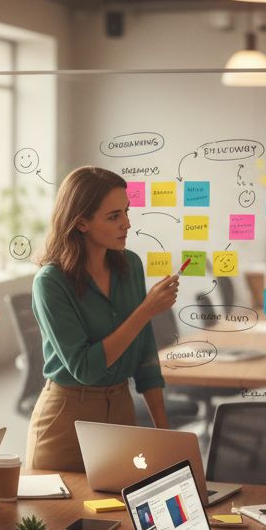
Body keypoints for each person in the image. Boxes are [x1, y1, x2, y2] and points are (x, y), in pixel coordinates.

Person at [27, 166, 178, 471]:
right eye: (113, 216)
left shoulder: (130, 266)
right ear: (81, 222)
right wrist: (145, 311)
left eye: (126, 211)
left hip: (121, 410)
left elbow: (145, 355)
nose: (127, 223)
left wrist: (164, 431)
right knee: (61, 504)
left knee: (121, 500)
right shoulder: (50, 282)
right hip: (66, 421)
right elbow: (85, 368)